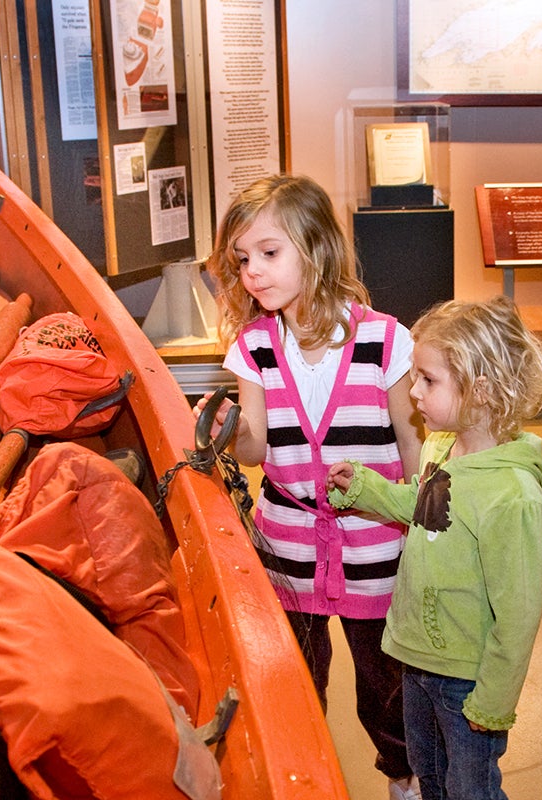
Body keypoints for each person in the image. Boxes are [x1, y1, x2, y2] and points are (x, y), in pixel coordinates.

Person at [195, 174, 424, 800]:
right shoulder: (254, 347)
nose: (253, 272)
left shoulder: (385, 340)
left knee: (386, 688)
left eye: (270, 253)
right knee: (297, 684)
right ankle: (303, 783)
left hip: (376, 551)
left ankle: (405, 781)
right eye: (242, 259)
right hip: (288, 549)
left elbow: (412, 447)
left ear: (318, 249)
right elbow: (255, 451)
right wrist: (229, 432)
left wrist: (426, 530)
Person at [326, 296, 542, 800]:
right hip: (418, 661)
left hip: (467, 683)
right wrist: (365, 487)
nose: (413, 392)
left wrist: (493, 701)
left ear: (483, 391)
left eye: (429, 380)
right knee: (430, 778)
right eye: (416, 376)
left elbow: (519, 612)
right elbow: (422, 504)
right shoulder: (440, 447)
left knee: (469, 789)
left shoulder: (510, 495)